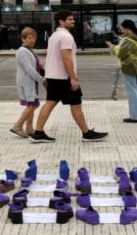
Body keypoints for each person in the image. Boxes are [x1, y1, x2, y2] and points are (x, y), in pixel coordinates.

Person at [29, 9, 108, 143]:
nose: (73, 21)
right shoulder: (66, 37)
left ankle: (38, 132)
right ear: (61, 21)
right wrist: (73, 78)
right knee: (76, 104)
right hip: (64, 77)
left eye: (73, 19)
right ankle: (87, 133)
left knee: (50, 103)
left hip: (53, 76)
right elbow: (66, 58)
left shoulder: (54, 36)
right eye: (70, 19)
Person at [107, 19, 137, 123]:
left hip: (129, 66)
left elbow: (120, 53)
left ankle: (135, 117)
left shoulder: (128, 40)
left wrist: (112, 47)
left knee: (131, 91)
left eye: (123, 29)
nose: (122, 31)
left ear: (127, 28)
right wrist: (121, 39)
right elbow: (130, 45)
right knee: (136, 90)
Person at [11, 27, 45, 137]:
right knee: (33, 104)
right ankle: (17, 126)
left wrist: (39, 66)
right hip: (26, 82)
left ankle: (29, 128)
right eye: (29, 38)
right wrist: (42, 79)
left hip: (30, 82)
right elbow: (29, 69)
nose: (32, 40)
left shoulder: (29, 50)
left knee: (32, 103)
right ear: (23, 39)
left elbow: (32, 66)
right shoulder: (23, 51)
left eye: (34, 38)